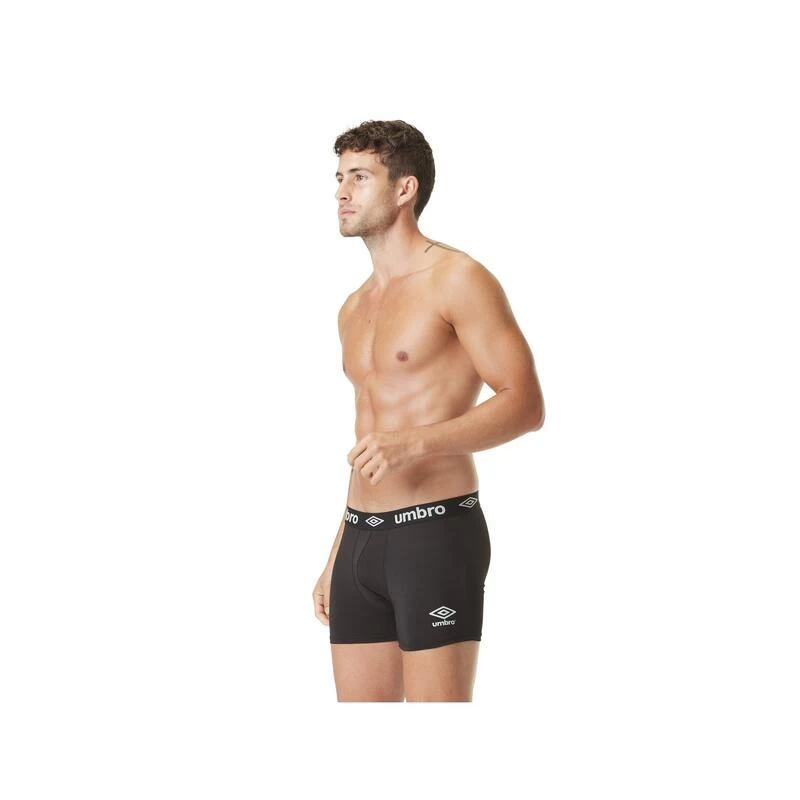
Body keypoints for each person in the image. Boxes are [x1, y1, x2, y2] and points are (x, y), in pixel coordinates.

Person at [312, 120, 545, 702]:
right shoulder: (353, 307)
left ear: (404, 188)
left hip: (434, 534)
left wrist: (415, 442)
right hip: (361, 539)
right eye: (339, 178)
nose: (341, 192)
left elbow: (526, 403)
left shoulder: (458, 279)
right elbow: (371, 433)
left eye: (359, 177)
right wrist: (340, 549)